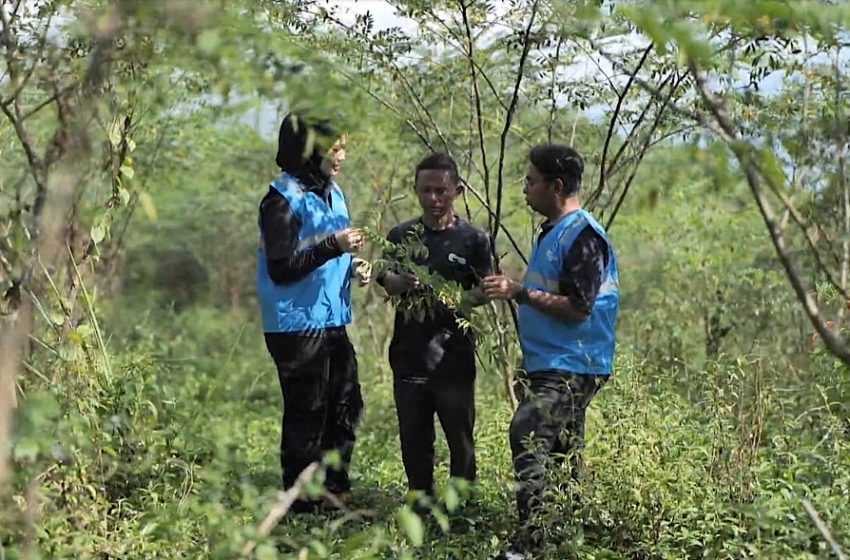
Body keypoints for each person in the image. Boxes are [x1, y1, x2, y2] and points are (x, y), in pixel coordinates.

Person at [482, 144, 619, 558]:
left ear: (556, 186)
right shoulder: (556, 231)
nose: (525, 189)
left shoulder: (584, 236)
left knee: (527, 432)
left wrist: (520, 293)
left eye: (531, 181)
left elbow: (579, 308)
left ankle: (529, 544)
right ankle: (565, 539)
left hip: (573, 363)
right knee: (561, 451)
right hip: (553, 362)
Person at [257, 113, 369, 512]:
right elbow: (282, 267)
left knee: (345, 404)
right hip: (296, 324)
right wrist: (333, 248)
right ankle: (301, 503)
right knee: (308, 411)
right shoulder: (280, 199)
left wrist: (352, 266)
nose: (341, 156)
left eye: (343, 147)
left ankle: (335, 493)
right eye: (333, 148)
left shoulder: (333, 193)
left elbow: (326, 254)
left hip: (333, 318)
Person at [378, 153, 493, 508]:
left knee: (460, 441)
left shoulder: (474, 239)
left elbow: (487, 289)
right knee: (414, 440)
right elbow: (384, 276)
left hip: (453, 360)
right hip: (409, 358)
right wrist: (400, 282)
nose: (433, 198)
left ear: (457, 191)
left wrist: (456, 298)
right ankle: (420, 505)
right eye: (426, 190)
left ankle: (461, 509)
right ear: (415, 190)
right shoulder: (401, 235)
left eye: (441, 191)